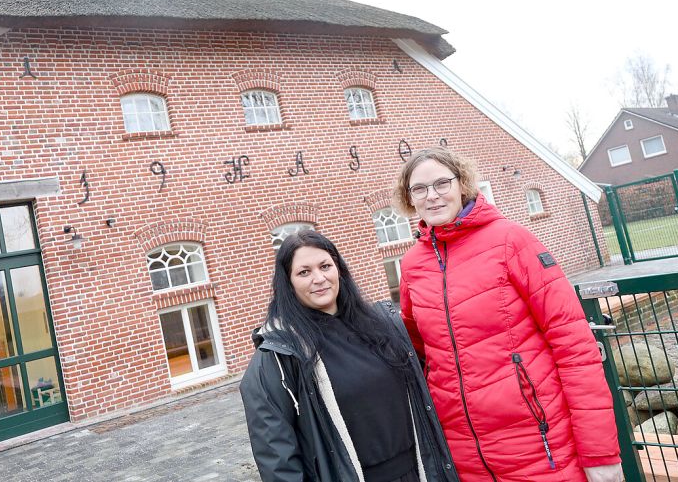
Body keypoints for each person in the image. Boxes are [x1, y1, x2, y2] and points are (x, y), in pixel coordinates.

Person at [392, 147, 623, 482]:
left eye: (442, 183)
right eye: (420, 189)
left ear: (462, 184)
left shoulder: (510, 241)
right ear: (409, 198)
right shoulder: (413, 265)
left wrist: (599, 452)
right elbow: (419, 352)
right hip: (465, 457)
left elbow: (574, 346)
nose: (433, 196)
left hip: (541, 446)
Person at [240, 230, 459, 482]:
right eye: (304, 272)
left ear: (339, 270)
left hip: (419, 473)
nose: (319, 278)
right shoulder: (279, 355)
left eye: (325, 266)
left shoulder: (382, 326)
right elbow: (277, 458)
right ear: (288, 283)